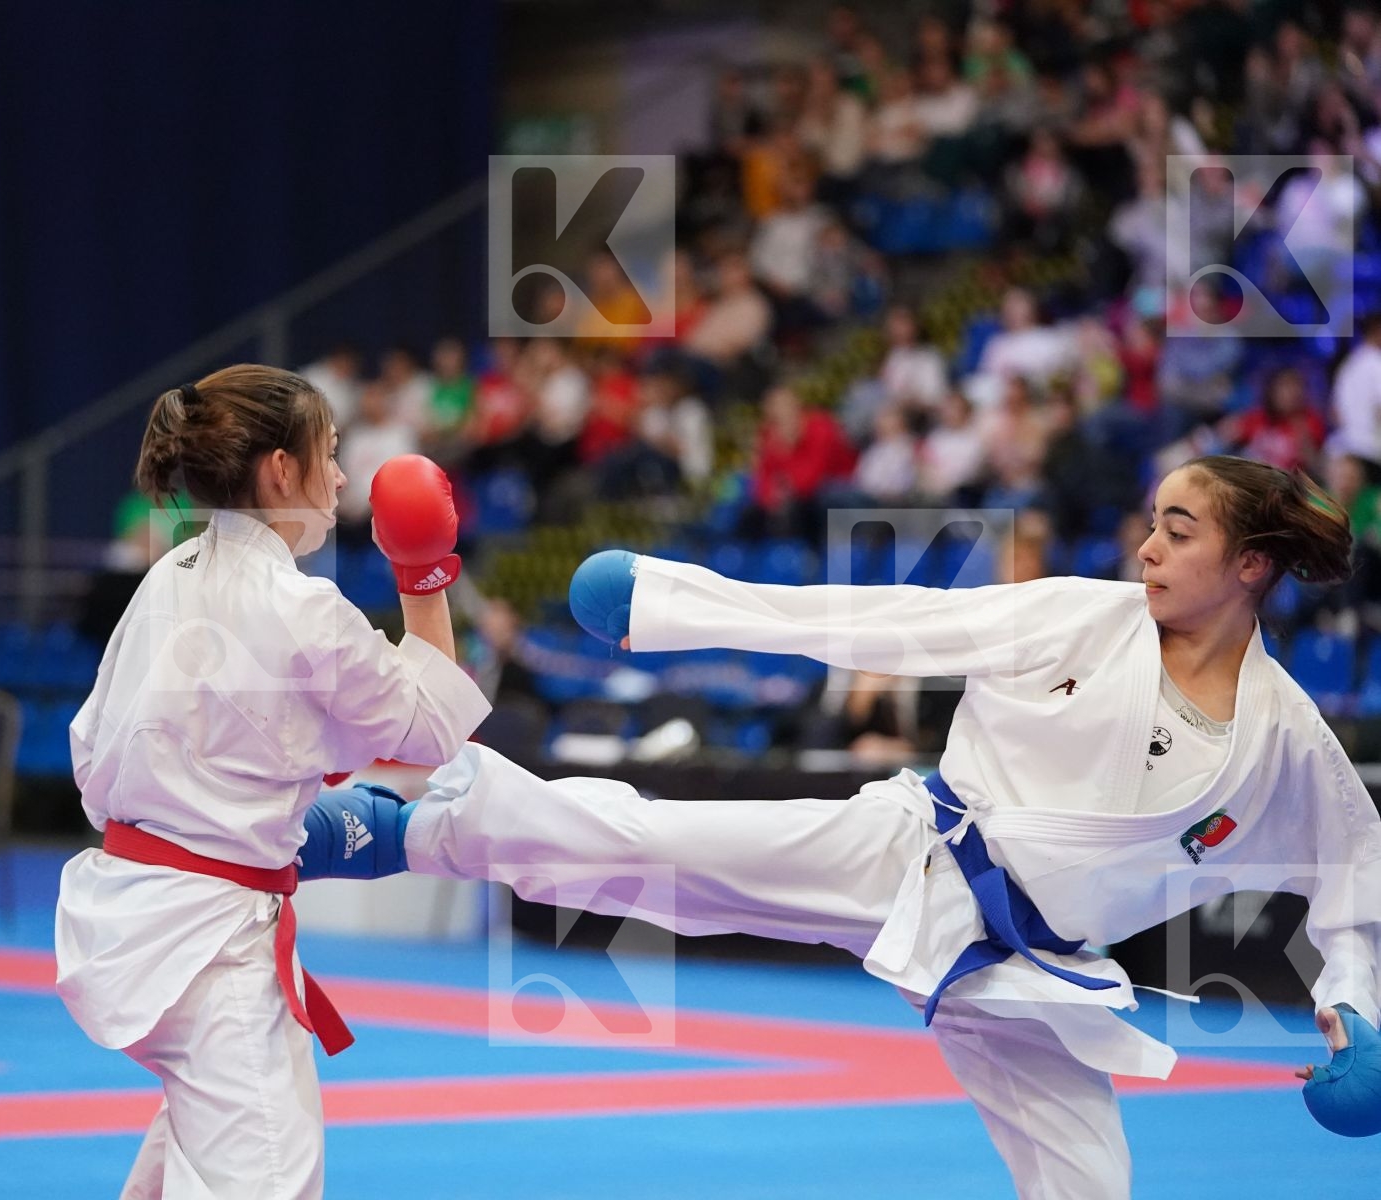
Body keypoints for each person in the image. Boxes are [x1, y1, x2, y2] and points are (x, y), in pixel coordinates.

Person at [303, 455, 1381, 1197]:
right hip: (911, 856)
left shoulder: (1287, 743)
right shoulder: (1085, 617)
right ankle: (413, 828)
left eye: (1176, 531)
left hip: (1032, 978)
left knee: (1089, 1180)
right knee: (660, 852)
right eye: (1149, 522)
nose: (1145, 547)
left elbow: (1352, 881)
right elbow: (891, 621)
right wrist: (671, 604)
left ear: (1249, 565)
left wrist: (1354, 1018)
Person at [54, 365, 490, 1200]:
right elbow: (434, 726)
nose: (339, 476)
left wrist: (256, 816)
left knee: (194, 1159)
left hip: (128, 907)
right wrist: (424, 572)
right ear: (279, 472)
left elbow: (97, 752)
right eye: (327, 454)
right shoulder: (301, 608)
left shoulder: (168, 576)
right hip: (208, 943)